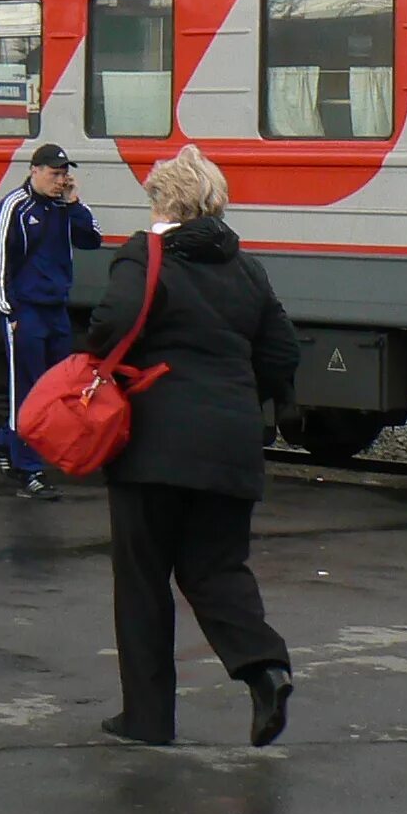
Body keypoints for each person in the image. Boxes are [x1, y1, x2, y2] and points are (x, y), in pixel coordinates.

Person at [87, 146, 300, 749]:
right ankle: (265, 668)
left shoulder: (145, 254)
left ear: (164, 199)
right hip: (230, 444)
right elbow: (282, 351)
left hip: (153, 443)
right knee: (216, 569)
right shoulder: (246, 268)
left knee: (143, 579)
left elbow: (113, 320)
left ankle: (148, 720)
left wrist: (95, 357)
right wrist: (243, 395)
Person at [0, 143, 102, 497]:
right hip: (26, 310)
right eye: (54, 173)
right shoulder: (15, 208)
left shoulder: (63, 207)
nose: (60, 180)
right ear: (35, 171)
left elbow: (92, 239)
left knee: (56, 390)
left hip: (56, 308)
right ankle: (28, 469)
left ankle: (4, 442)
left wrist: (75, 204)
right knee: (28, 388)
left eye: (64, 173)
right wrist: (8, 311)